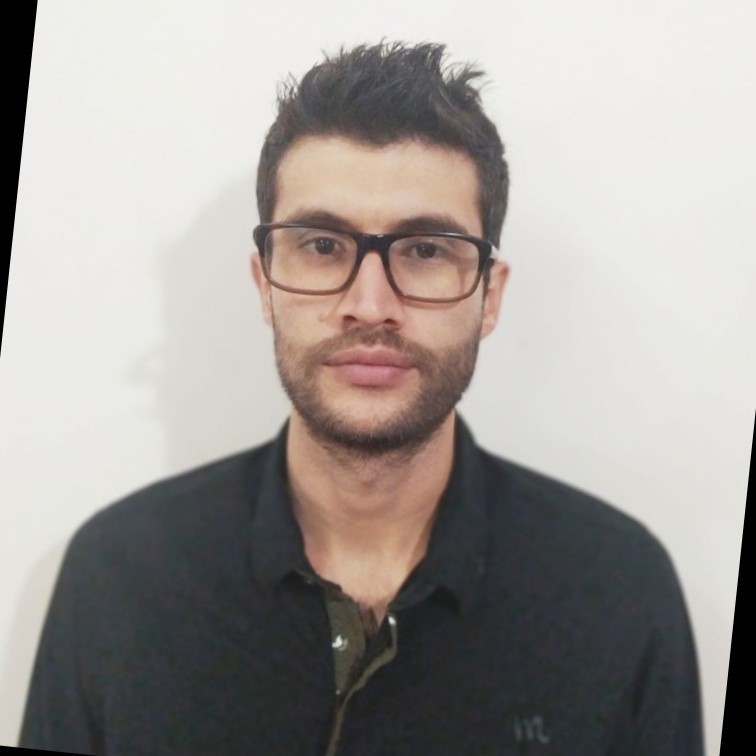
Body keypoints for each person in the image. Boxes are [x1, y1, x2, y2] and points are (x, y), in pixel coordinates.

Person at [19, 42, 704, 755]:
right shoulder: (119, 576)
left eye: (426, 249)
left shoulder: (618, 590)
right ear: (264, 285)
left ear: (490, 296)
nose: (370, 306)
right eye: (322, 245)